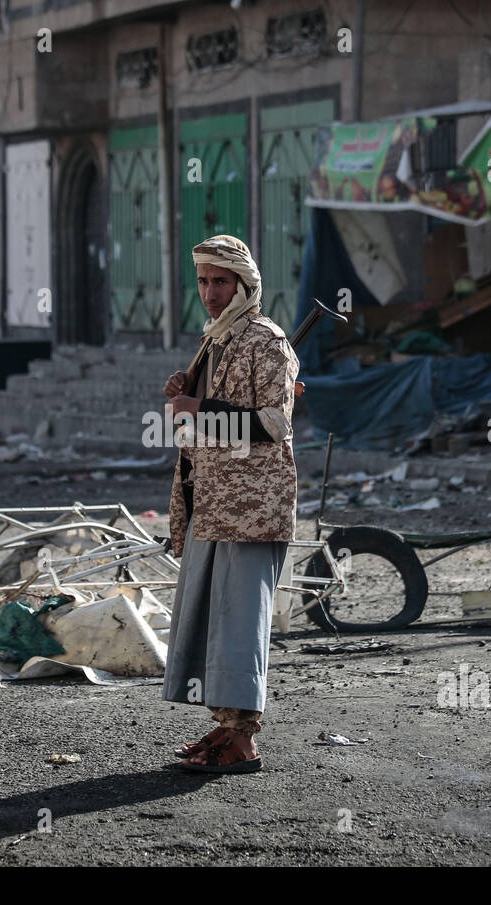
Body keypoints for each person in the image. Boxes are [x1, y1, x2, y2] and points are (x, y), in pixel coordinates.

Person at [161, 235, 300, 773]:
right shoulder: (215, 341)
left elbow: (273, 424)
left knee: (240, 623)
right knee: (213, 621)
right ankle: (225, 727)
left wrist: (201, 406)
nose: (211, 292)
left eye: (221, 281)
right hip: (213, 504)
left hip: (251, 511)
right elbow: (214, 412)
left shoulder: (266, 341)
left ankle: (243, 741)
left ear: (245, 284)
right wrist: (187, 387)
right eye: (203, 281)